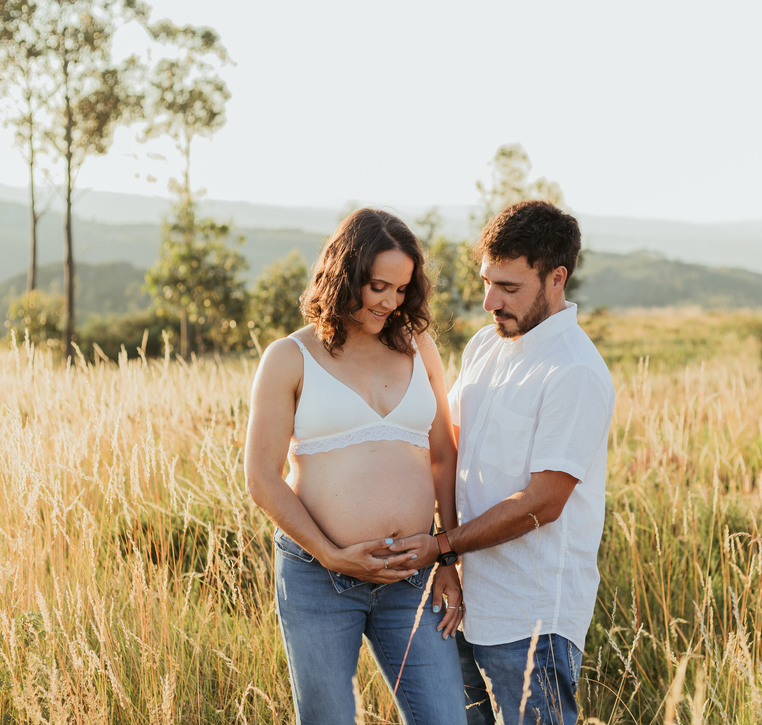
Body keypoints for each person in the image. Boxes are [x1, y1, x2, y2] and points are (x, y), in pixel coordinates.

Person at [390, 200, 616, 725]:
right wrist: (448, 563)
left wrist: (442, 545)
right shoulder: (484, 347)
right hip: (466, 605)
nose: (490, 300)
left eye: (509, 288)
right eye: (487, 282)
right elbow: (452, 453)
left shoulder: (574, 371)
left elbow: (543, 502)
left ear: (556, 278)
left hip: (532, 619)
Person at [243, 208, 467, 725]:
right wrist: (332, 554)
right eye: (378, 286)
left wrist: (448, 557)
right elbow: (262, 478)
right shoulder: (288, 357)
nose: (391, 302)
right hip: (319, 578)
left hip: (413, 576)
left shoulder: (418, 347)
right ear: (345, 276)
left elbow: (443, 454)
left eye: (402, 289)